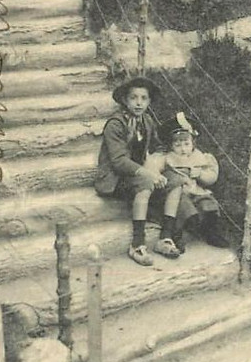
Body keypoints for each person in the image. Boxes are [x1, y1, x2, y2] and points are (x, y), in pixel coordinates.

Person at [95, 77, 183, 265]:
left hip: (139, 174)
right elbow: (119, 162)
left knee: (176, 181)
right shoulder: (115, 124)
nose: (138, 103)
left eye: (144, 98)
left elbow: (158, 147)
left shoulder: (147, 121)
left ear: (149, 101)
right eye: (133, 98)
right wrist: (149, 174)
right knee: (146, 183)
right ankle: (137, 243)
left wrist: (156, 165)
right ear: (125, 101)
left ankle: (165, 237)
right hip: (115, 178)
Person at [147, 112, 228, 251]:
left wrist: (201, 174)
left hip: (196, 191)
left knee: (208, 204)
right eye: (178, 145)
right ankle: (176, 235)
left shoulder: (199, 157)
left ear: (193, 143)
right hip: (179, 193)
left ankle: (211, 232)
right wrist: (157, 175)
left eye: (186, 144)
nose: (183, 149)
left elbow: (211, 176)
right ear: (171, 145)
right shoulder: (167, 158)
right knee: (184, 209)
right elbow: (151, 167)